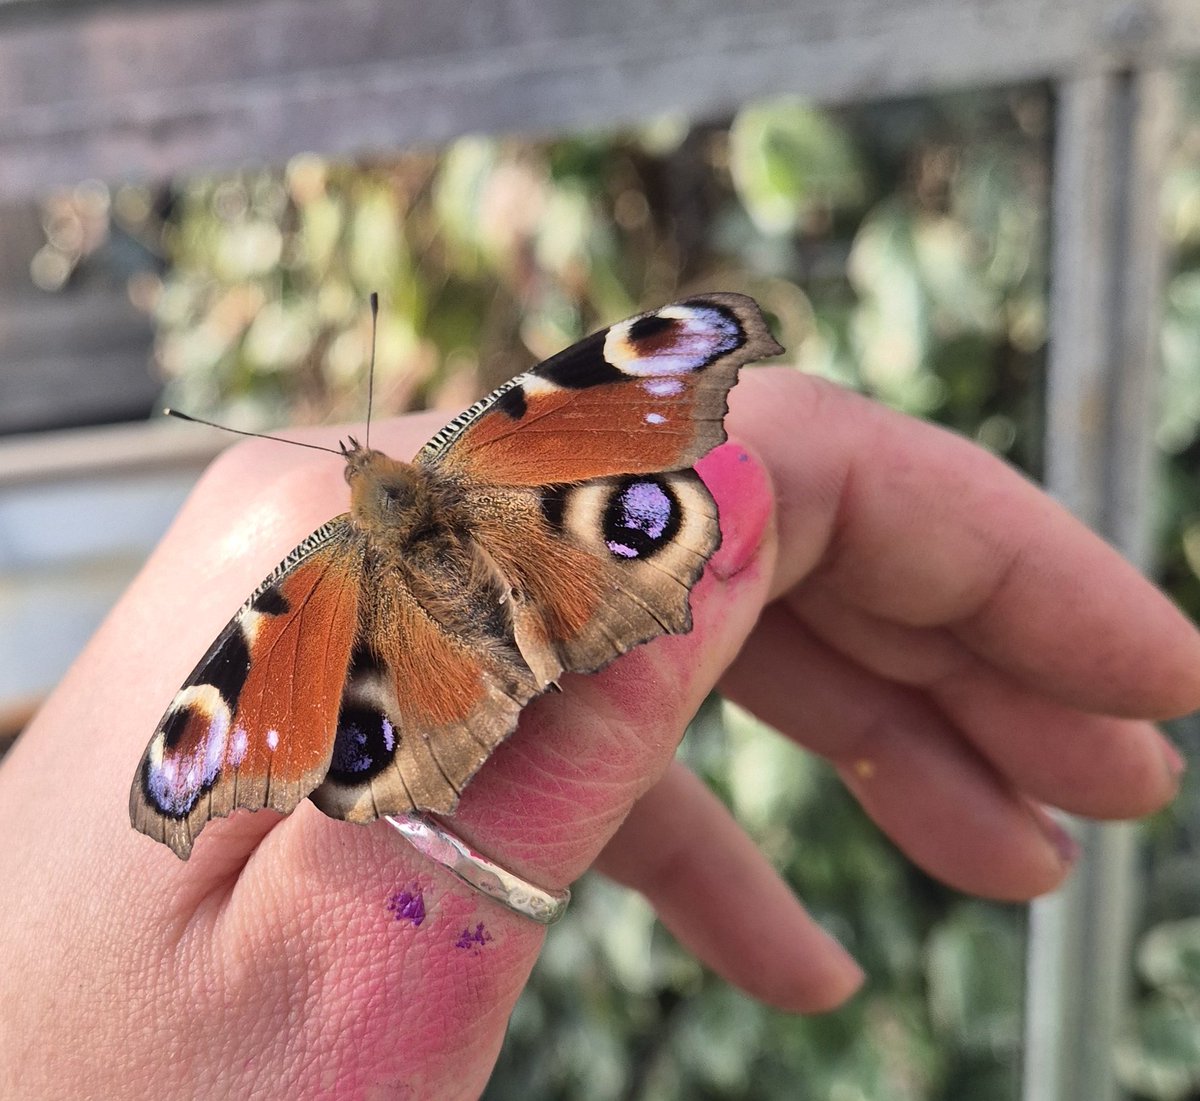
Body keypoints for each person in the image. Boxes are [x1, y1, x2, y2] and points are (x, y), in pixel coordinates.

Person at [0, 368, 1195, 1099]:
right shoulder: (452, 470)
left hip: (430, 673)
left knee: (335, 691)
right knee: (617, 512)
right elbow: (204, 744)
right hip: (537, 562)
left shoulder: (309, 589)